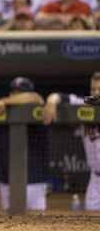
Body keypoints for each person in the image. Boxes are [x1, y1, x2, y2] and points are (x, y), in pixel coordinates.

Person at [0, 77, 47, 211]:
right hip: (6, 179)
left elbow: (35, 98)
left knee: (37, 221)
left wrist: (5, 100)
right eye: (14, 92)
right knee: (9, 220)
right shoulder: (3, 110)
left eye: (21, 92)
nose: (17, 95)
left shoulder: (37, 105)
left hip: (34, 179)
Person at [43, 72, 100, 210]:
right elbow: (59, 96)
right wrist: (51, 102)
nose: (96, 92)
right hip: (96, 178)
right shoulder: (86, 103)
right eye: (93, 89)